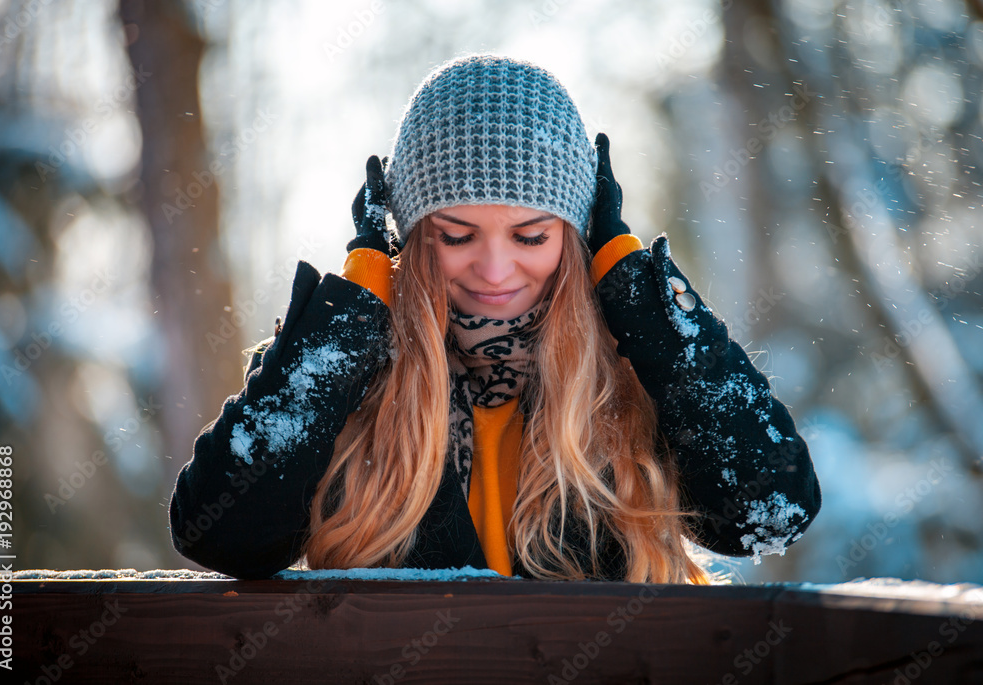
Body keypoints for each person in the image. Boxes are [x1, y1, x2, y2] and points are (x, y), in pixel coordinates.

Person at [169, 54, 821, 584]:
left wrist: (636, 287)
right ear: (414, 236)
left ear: (575, 236)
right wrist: (355, 305)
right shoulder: (344, 371)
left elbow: (770, 510)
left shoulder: (630, 371)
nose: (495, 269)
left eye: (531, 237)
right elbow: (221, 534)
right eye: (456, 235)